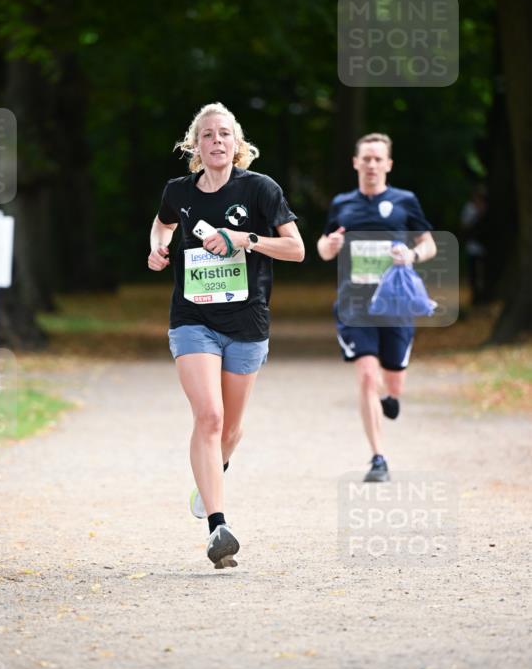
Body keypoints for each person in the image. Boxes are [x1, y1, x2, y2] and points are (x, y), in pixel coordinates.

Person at [148, 103, 304, 568]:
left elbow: (295, 249)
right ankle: (218, 526)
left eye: (225, 134)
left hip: (247, 323)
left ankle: (210, 476)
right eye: (208, 135)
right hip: (193, 319)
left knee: (231, 430)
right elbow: (163, 223)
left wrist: (245, 240)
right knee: (210, 418)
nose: (216, 141)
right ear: (195, 147)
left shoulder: (260, 190)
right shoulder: (178, 191)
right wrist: (157, 247)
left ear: (237, 144)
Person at [317, 132, 436, 482]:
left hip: (396, 304)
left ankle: (392, 394)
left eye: (377, 159)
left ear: (388, 164)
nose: (371, 164)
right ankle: (378, 458)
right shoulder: (343, 204)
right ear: (356, 163)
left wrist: (411, 254)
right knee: (368, 376)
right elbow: (324, 248)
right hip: (355, 305)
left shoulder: (404, 201)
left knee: (393, 381)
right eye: (365, 158)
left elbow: (428, 244)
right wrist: (331, 243)